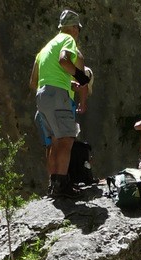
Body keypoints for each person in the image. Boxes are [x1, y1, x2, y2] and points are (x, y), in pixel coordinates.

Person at [33, 9, 87, 198]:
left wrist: (62, 82)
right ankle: (63, 185)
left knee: (55, 142)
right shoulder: (67, 40)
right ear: (73, 27)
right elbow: (64, 60)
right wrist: (80, 77)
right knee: (66, 140)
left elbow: (33, 81)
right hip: (58, 96)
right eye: (77, 29)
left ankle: (54, 185)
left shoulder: (45, 48)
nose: (77, 32)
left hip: (42, 96)